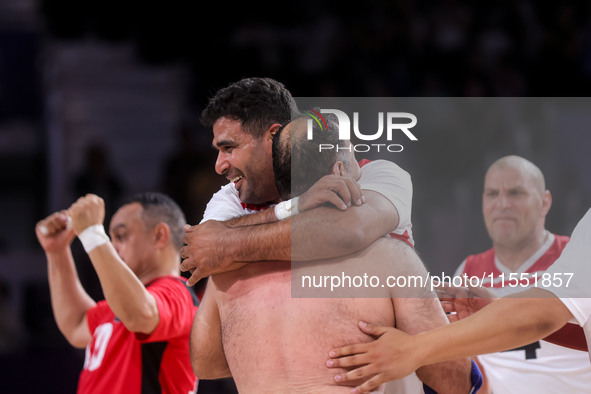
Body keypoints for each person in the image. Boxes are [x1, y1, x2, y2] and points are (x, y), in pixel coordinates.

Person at [189, 116, 477, 393]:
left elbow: (205, 362)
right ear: (340, 171)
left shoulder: (227, 272)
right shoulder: (391, 260)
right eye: (354, 160)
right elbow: (451, 378)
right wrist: (457, 340)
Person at [325, 206, 591, 393]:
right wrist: (499, 308)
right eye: (493, 193)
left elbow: (542, 315)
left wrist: (412, 349)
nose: (503, 204)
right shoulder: (470, 267)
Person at [179, 77, 414, 288]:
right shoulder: (231, 196)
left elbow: (348, 231)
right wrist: (296, 206)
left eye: (229, 148)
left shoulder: (373, 174)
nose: (218, 166)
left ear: (273, 137)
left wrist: (228, 245)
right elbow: (202, 251)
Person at [452, 155, 591, 393]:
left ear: (544, 202)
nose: (502, 204)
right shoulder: (467, 271)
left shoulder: (576, 258)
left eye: (515, 193)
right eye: (492, 194)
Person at [35, 192, 198, 394]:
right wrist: (57, 251)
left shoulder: (177, 293)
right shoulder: (121, 304)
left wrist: (92, 234)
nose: (112, 246)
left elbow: (140, 315)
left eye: (120, 236)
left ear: (159, 235)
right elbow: (76, 324)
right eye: (109, 237)